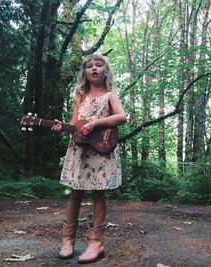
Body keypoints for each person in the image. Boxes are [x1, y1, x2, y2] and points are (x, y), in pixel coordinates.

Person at [51, 54, 126, 264]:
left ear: (105, 71)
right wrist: (62, 127)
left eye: (99, 65)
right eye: (89, 66)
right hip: (80, 151)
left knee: (98, 194)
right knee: (75, 193)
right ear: (84, 72)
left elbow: (122, 116)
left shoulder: (110, 95)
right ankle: (67, 240)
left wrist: (95, 124)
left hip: (101, 150)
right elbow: (75, 126)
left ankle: (96, 243)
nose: (94, 68)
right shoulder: (80, 97)